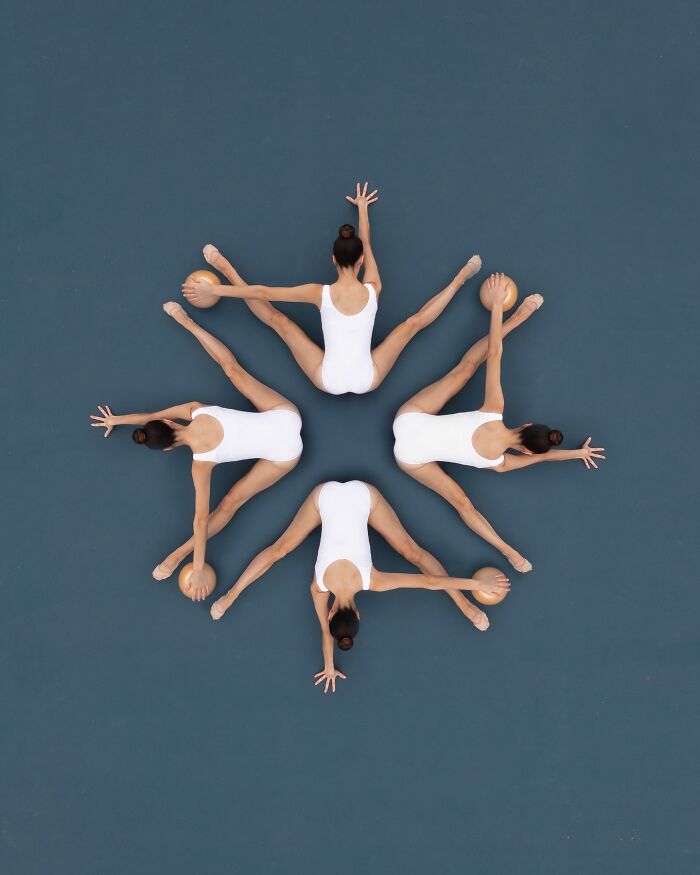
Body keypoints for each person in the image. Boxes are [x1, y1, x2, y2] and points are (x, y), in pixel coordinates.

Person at [210, 480, 510, 692]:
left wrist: (474, 584)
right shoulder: (318, 588)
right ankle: (229, 597)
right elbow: (324, 632)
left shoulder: (373, 581)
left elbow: (429, 583)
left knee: (411, 554)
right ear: (332, 615)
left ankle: (229, 596)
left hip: (362, 496)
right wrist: (328, 665)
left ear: (359, 614)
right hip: (325, 496)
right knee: (413, 553)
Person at [393, 273, 605, 573]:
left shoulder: (494, 409)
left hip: (407, 419)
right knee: (462, 503)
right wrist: (577, 454)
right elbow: (543, 461)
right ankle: (509, 552)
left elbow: (494, 353)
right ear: (528, 451)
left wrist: (498, 308)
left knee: (464, 370)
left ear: (527, 424)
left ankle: (518, 319)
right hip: (410, 460)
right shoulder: (500, 463)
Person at [183, 182, 481, 394]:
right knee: (412, 324)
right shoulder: (373, 287)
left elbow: (262, 292)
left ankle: (227, 269)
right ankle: (459, 279)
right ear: (361, 260)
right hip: (370, 379)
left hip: (327, 379)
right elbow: (368, 244)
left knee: (279, 321)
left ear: (333, 260)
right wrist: (363, 210)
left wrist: (216, 291)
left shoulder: (318, 293)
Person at [90, 302, 302, 599]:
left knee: (229, 504)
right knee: (233, 371)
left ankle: (176, 556)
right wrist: (118, 419)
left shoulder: (201, 464)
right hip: (286, 415)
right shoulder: (195, 409)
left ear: (167, 451)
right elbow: (151, 413)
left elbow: (201, 520)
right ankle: (186, 321)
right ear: (168, 422)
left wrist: (198, 565)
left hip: (287, 455)